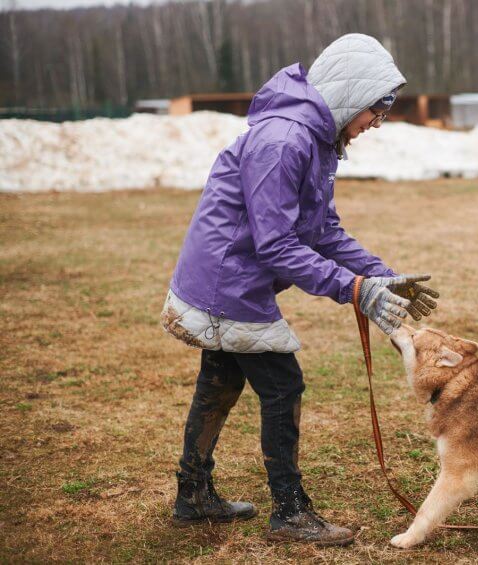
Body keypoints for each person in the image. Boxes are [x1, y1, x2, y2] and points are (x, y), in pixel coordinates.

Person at [160, 33, 440, 545]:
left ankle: (193, 494)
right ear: (350, 100)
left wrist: (378, 275)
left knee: (220, 381)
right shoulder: (284, 141)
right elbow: (276, 245)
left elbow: (323, 230)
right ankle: (289, 512)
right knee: (282, 385)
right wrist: (355, 290)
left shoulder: (314, 138)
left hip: (234, 277)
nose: (370, 127)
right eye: (372, 114)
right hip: (229, 282)